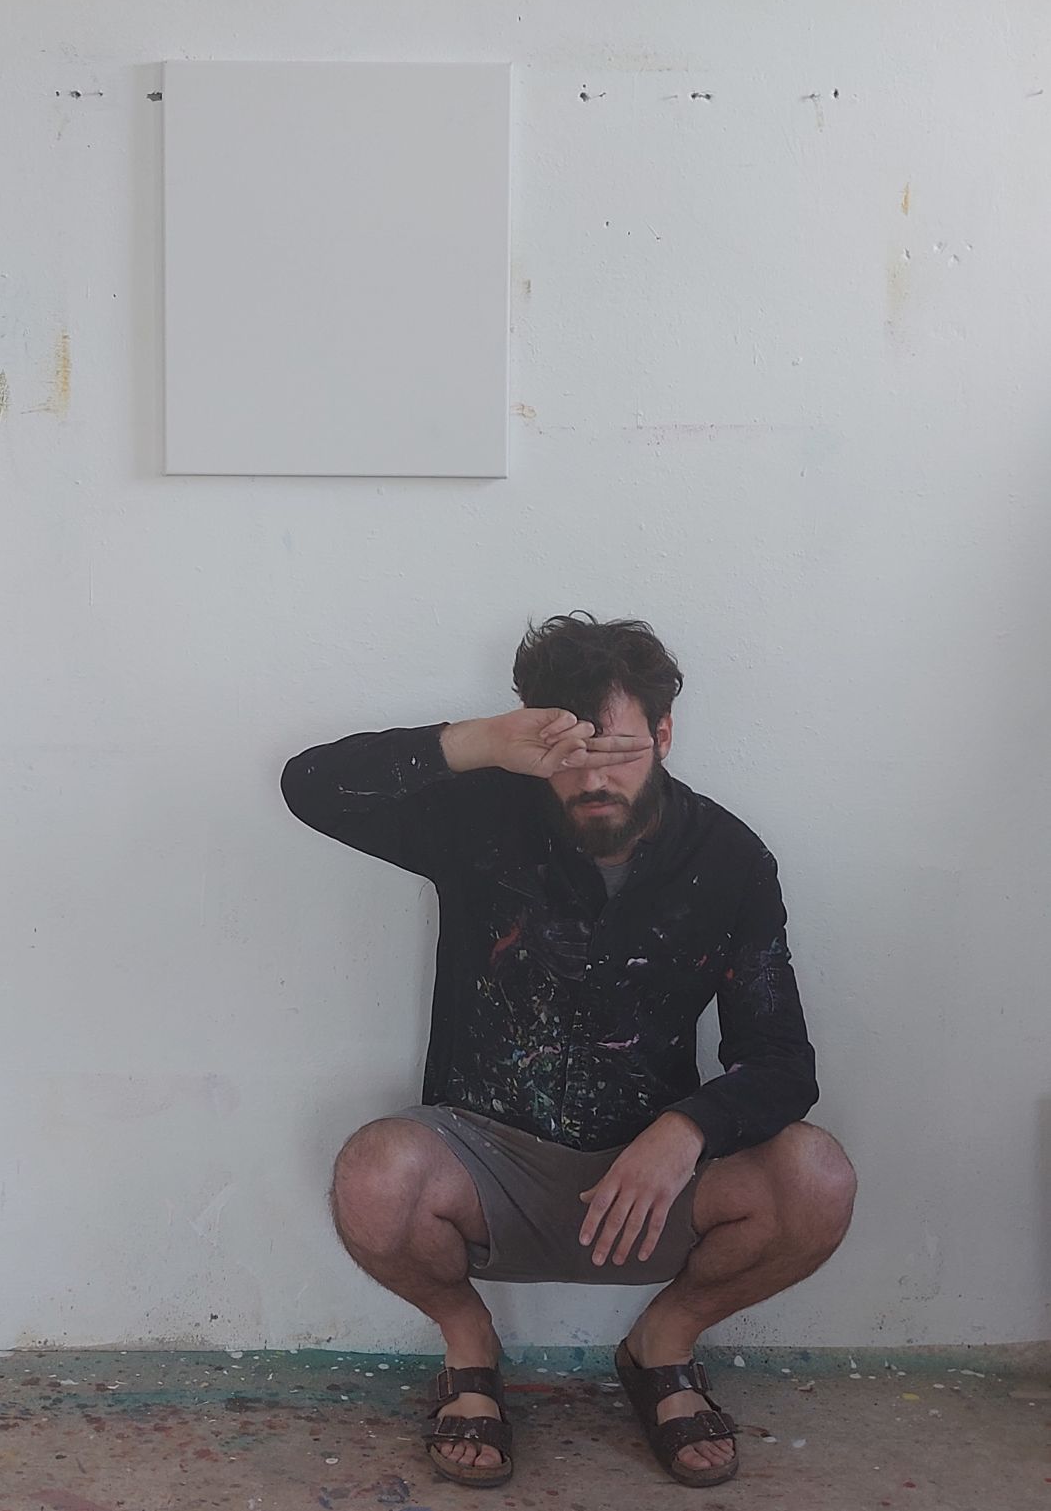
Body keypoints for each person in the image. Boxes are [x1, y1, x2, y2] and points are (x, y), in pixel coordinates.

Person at [280, 613, 855, 1491]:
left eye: (618, 750)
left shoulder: (730, 858)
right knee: (372, 1174)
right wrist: (479, 742)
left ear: (665, 735)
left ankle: (663, 1345)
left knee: (817, 1178)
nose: (593, 778)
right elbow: (309, 786)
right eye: (568, 753)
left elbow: (782, 1059)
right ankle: (470, 1348)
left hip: (653, 1176)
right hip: (488, 1164)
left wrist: (687, 1129)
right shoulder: (481, 815)